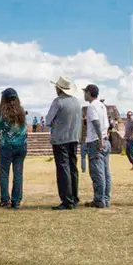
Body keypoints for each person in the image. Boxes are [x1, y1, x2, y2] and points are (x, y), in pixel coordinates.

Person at [47, 76, 82, 210]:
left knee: (63, 169)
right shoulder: (77, 102)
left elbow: (49, 120)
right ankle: (74, 197)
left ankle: (67, 200)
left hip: (60, 139)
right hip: (74, 138)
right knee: (73, 168)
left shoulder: (58, 102)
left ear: (58, 88)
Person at [0, 88, 27, 209]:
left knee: (4, 173)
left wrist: (0, 143)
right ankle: (16, 200)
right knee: (18, 173)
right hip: (21, 146)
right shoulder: (22, 112)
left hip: (7, 146)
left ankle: (5, 199)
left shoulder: (3, 114)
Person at [83, 84, 111, 208]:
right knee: (105, 171)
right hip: (105, 139)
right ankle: (105, 198)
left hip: (96, 141)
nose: (84, 95)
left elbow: (96, 122)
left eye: (85, 92)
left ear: (89, 93)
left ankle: (99, 199)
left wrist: (99, 139)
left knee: (97, 172)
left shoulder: (92, 106)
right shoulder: (102, 106)